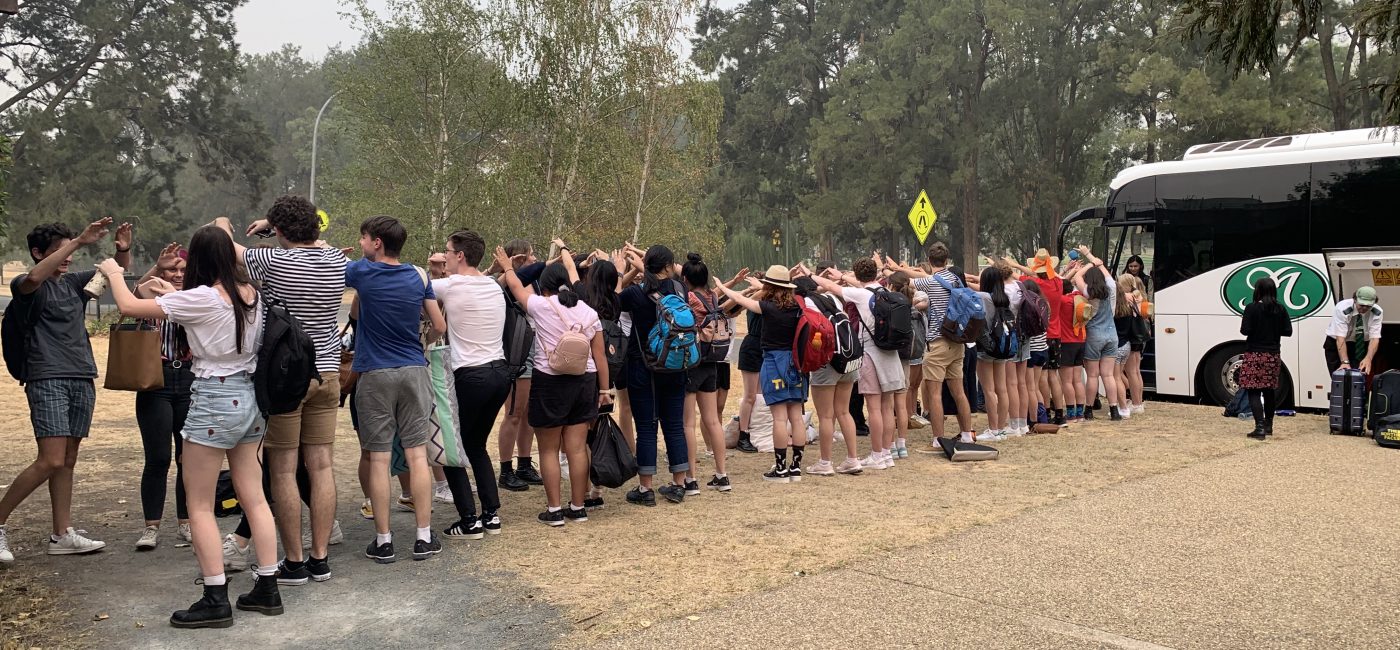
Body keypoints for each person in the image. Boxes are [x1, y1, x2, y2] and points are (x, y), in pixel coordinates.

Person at [100, 225, 282, 628]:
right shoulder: (251, 295)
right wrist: (173, 297)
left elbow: (129, 307)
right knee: (254, 498)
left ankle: (215, 596)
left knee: (198, 503)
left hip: (213, 399)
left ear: (197, 258)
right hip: (250, 400)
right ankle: (268, 587)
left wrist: (114, 271)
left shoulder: (200, 298)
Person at [226, 196, 346, 585]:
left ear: (278, 232)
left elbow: (224, 241)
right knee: (322, 466)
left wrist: (228, 220)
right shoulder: (335, 262)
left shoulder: (271, 260)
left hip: (284, 377)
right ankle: (320, 557)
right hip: (327, 373)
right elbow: (321, 245)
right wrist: (282, 227)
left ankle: (293, 561)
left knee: (282, 469)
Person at [0, 218, 128, 565]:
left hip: (81, 376)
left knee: (67, 461)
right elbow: (34, 278)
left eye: (69, 250)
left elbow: (111, 276)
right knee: (50, 459)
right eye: (59, 251)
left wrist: (122, 251)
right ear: (39, 253)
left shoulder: (73, 284)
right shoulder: (28, 285)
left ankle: (62, 534)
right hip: (47, 377)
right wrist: (80, 241)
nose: (67, 259)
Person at [346, 215, 446, 563]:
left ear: (376, 242)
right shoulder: (419, 275)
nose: (360, 244)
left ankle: (384, 540)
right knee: (418, 454)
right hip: (413, 369)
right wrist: (422, 345)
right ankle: (422, 536)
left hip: (375, 372)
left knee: (379, 457)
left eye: (363, 238)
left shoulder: (361, 272)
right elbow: (439, 324)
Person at [498, 243, 610, 525]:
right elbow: (600, 357)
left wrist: (508, 267)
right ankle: (577, 506)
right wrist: (605, 390)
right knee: (576, 447)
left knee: (548, 449)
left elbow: (514, 287)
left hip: (550, 380)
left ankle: (554, 510)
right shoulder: (588, 312)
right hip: (585, 381)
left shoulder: (540, 305)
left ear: (545, 286)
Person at [434, 230, 511, 538]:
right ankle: (490, 515)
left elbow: (410, 283)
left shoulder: (450, 285)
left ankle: (468, 520)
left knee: (451, 446)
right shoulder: (492, 286)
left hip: (471, 375)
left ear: (460, 256)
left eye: (447, 253)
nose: (444, 258)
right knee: (476, 443)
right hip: (499, 374)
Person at [716, 265, 808, 482]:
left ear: (769, 285)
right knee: (796, 416)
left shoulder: (767, 307)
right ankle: (796, 466)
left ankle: (780, 468)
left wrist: (721, 286)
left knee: (779, 417)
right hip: (796, 364)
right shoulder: (797, 307)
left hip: (774, 361)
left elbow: (739, 300)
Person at [130, 243, 193, 551]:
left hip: (191, 377)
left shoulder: (198, 296)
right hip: (156, 377)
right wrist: (156, 268)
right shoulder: (151, 295)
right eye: (172, 270)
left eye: (183, 269)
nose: (178, 275)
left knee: (188, 457)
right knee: (157, 458)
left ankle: (186, 523)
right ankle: (151, 527)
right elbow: (131, 294)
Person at [813, 258, 906, 468]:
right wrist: (845, 276)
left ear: (857, 274)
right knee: (887, 406)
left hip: (872, 351)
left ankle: (875, 455)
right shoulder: (885, 290)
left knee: (873, 407)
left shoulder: (861, 294)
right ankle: (886, 452)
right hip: (890, 351)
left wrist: (811, 276)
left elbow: (829, 287)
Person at [618, 244, 690, 505]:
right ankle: (679, 484)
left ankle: (646, 488)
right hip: (675, 364)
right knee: (674, 425)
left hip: (644, 366)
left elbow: (613, 304)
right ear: (669, 266)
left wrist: (620, 270)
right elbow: (680, 271)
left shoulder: (635, 294)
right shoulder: (681, 289)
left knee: (646, 428)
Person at [799, 274, 863, 476]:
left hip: (826, 361)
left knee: (825, 415)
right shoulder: (832, 298)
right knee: (844, 411)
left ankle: (825, 462)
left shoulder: (805, 303)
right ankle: (852, 459)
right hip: (848, 358)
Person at [497, 239, 545, 492]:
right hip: (517, 352)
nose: (534, 259)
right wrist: (508, 268)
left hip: (539, 349)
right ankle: (506, 469)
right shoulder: (504, 283)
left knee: (529, 413)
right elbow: (501, 286)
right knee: (514, 412)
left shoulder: (535, 281)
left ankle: (525, 463)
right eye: (529, 256)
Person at [683, 253, 732, 492]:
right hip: (713, 361)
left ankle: (690, 478)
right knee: (713, 420)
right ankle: (721, 474)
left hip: (693, 361)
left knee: (688, 423)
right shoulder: (712, 296)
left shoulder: (689, 297)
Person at [1072, 246, 1124, 421]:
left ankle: (1088, 409)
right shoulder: (1110, 288)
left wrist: (1087, 265)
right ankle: (1114, 409)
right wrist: (1095, 261)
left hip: (1094, 334)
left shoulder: (1088, 292)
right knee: (1108, 375)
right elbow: (1106, 273)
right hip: (1112, 334)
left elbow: (1077, 276)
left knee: (1093, 375)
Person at [1240, 277, 1293, 439]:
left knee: (1254, 391)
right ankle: (1269, 426)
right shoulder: (1280, 309)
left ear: (1258, 290)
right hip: (1273, 355)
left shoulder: (1252, 308)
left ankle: (1259, 427)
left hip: (1254, 353)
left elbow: (1245, 330)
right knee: (1269, 390)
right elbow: (1288, 331)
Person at [972, 266, 1012, 441]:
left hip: (986, 348)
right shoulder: (1004, 298)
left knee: (988, 390)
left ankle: (993, 429)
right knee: (1002, 389)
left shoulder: (982, 297)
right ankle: (1002, 428)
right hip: (1003, 346)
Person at [1325, 286, 1383, 376]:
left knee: (1358, 377)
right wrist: (1345, 362)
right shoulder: (1342, 308)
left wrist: (1368, 358)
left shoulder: (1377, 312)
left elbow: (1375, 338)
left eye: (1368, 306)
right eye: (1362, 305)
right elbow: (1340, 338)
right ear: (1355, 300)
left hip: (1358, 345)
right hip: (1336, 344)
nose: (1364, 308)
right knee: (1340, 378)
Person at [1058, 276, 1089, 422]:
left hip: (1066, 342)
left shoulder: (1062, 301)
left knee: (1066, 381)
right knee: (1078, 380)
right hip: (1080, 341)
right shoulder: (1080, 299)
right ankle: (1080, 412)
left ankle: (1070, 413)